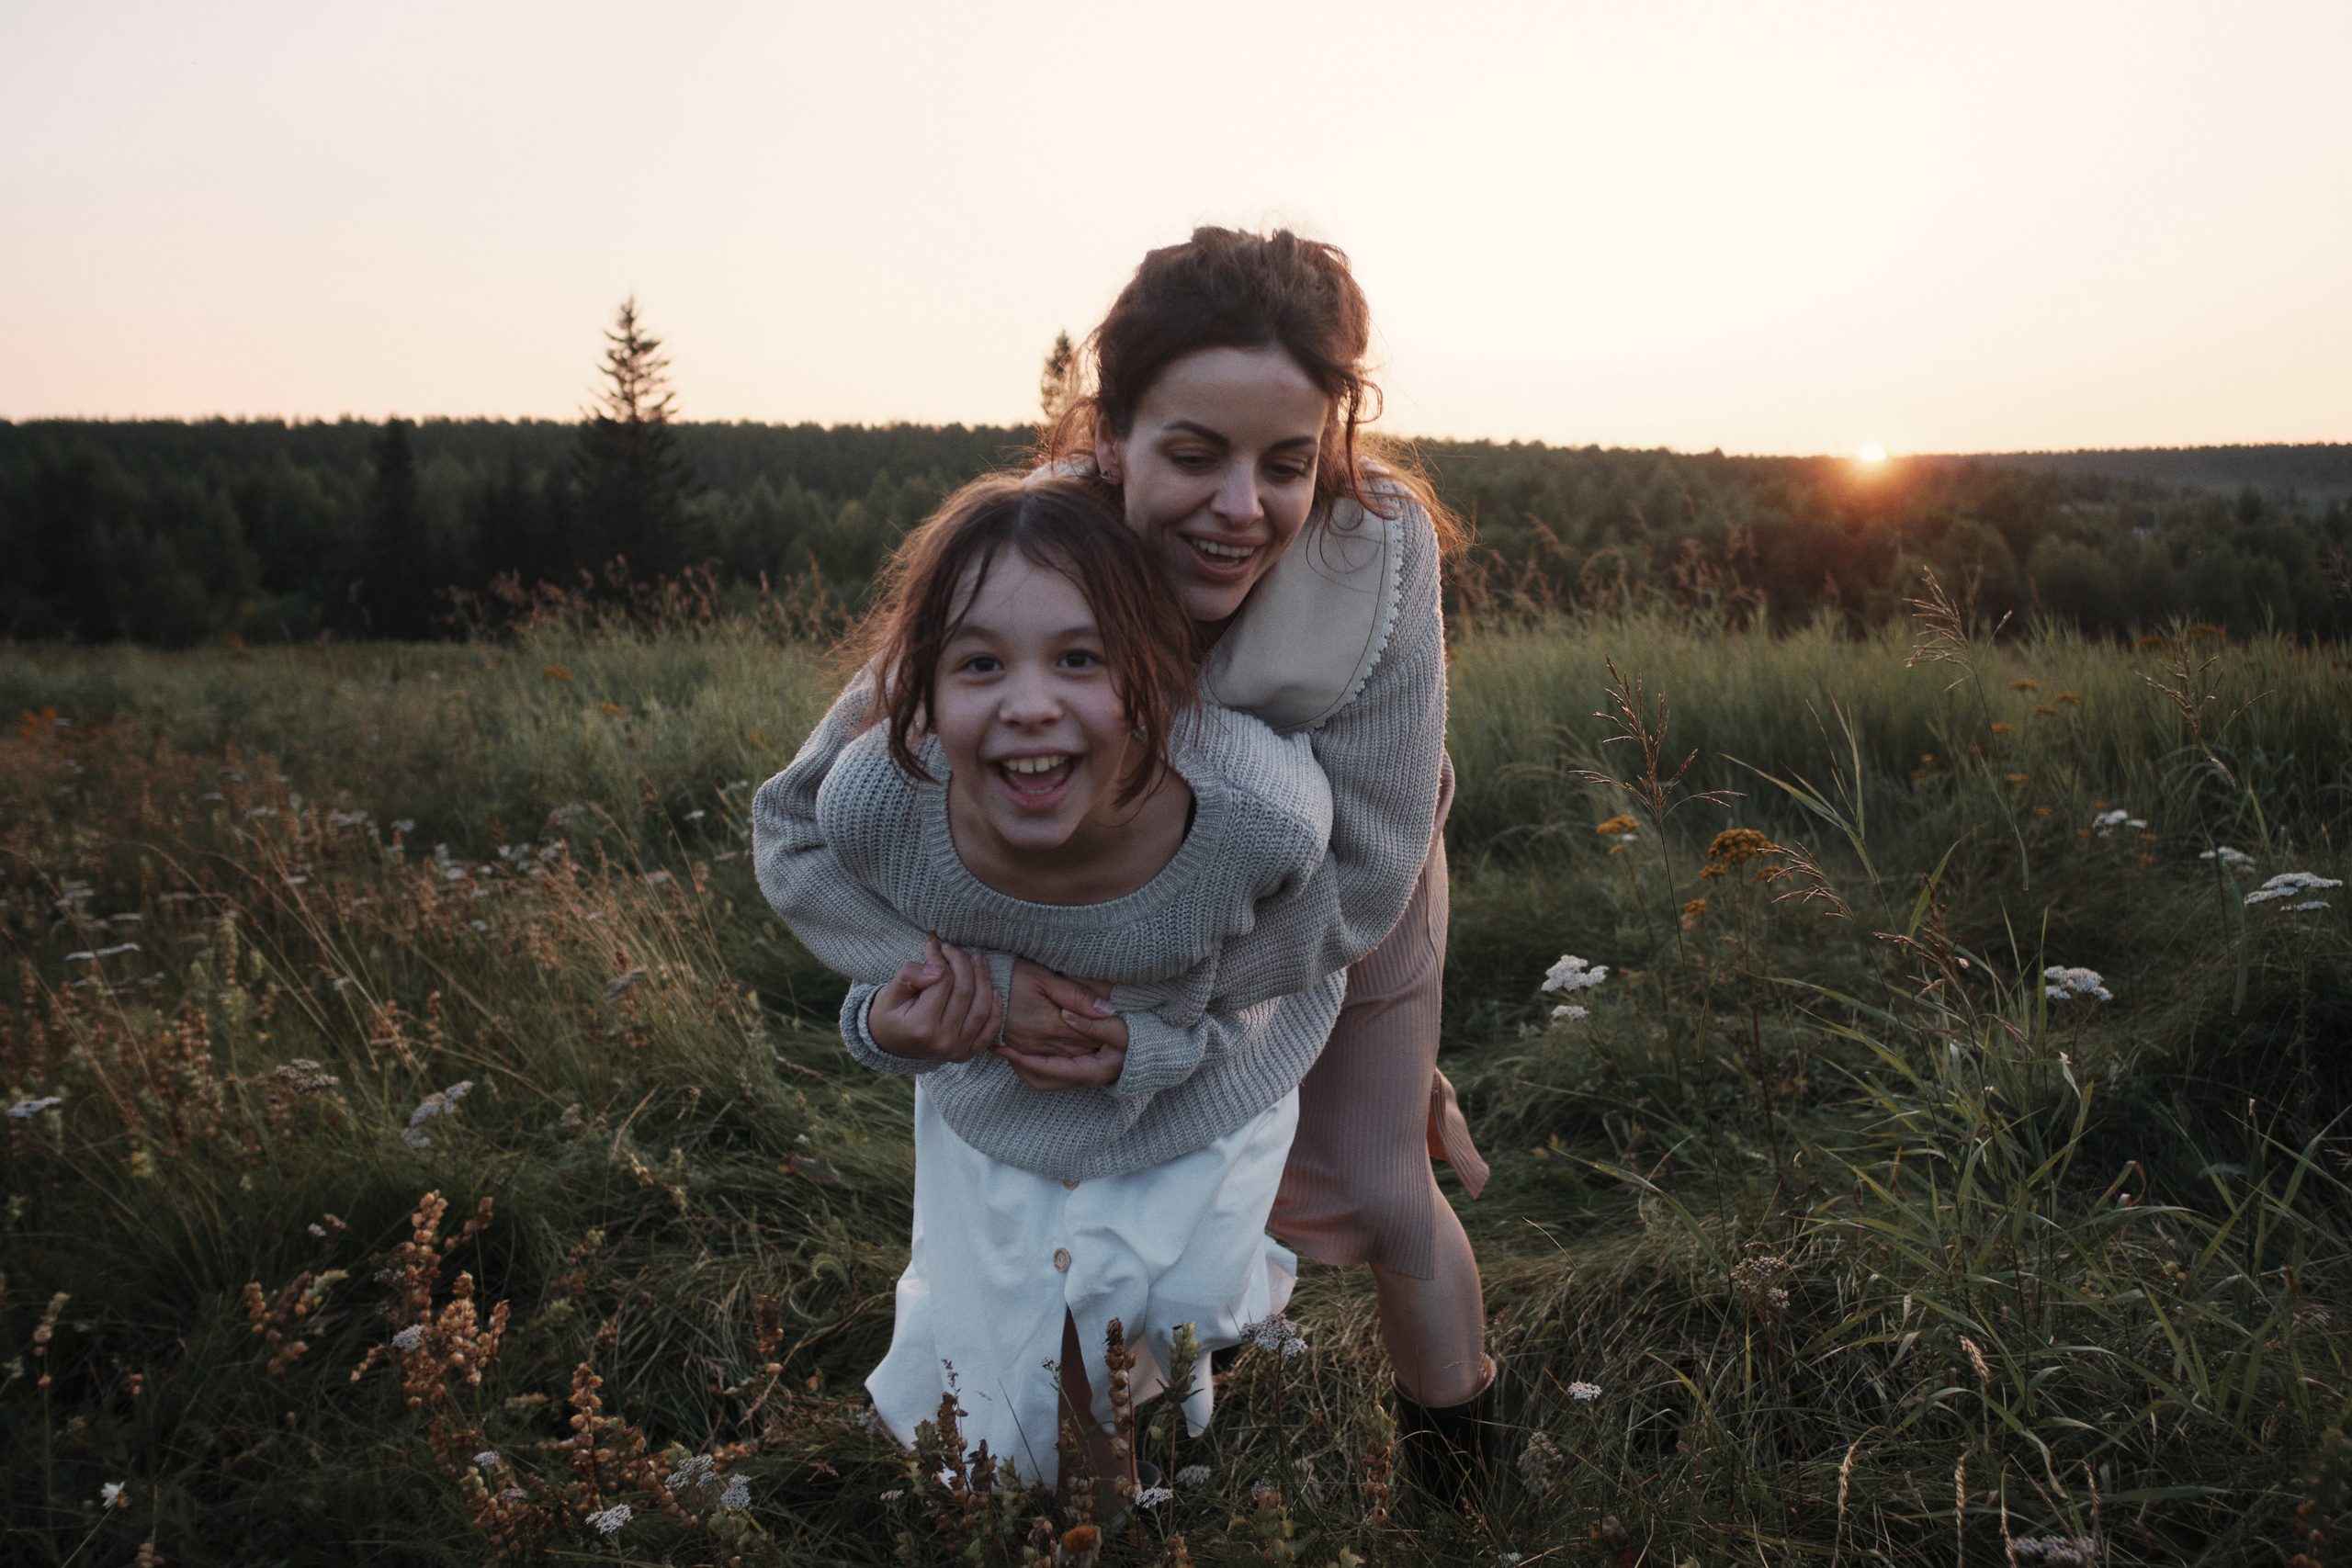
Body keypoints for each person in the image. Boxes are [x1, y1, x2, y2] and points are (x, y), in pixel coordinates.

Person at [756, 227, 1494, 1496]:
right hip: (1101, 909)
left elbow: (1363, 870)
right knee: (1108, 1198)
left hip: (1331, 906)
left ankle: (1464, 1471)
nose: (1241, 506)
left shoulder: (1376, 555)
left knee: (1377, 1185)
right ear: (1110, 434)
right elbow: (812, 801)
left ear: (1335, 442)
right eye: (1195, 456)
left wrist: (1174, 1017)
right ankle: (1134, 1454)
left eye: (1287, 463)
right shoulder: (1038, 546)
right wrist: (990, 974)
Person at [774, 472, 1374, 1496]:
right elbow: (815, 883)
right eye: (978, 664)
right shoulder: (884, 798)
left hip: (1199, 1083)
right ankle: (1086, 1505)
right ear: (916, 686)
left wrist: (1164, 1046)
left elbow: (1284, 969)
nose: (1029, 704)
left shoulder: (1251, 816)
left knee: (1174, 1306)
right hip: (1000, 1094)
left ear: (1151, 672)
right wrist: (905, 1010)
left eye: (1080, 659)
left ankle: (1159, 1395)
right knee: (1016, 1364)